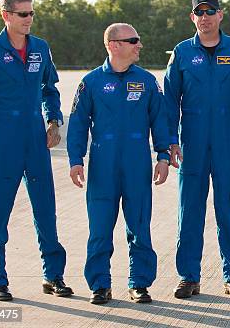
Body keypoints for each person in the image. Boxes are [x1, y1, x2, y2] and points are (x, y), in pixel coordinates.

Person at [0, 0, 73, 301]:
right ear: (6, 15)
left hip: (34, 137)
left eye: (32, 13)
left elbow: (50, 89)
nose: (29, 19)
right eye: (23, 14)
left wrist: (53, 122)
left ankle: (53, 275)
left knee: (45, 211)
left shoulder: (40, 48)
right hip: (2, 138)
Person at [164, 0, 230, 299]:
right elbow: (169, 101)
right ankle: (188, 276)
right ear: (193, 17)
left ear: (220, 15)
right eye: (199, 12)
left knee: (229, 208)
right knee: (189, 209)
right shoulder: (181, 52)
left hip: (228, 139)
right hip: (191, 140)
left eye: (210, 11)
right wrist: (170, 141)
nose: (205, 17)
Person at [67, 23, 170, 305]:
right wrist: (76, 160)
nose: (139, 45)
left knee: (139, 225)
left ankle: (139, 283)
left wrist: (163, 155)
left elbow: (159, 120)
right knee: (100, 228)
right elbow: (77, 124)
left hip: (137, 160)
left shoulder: (148, 81)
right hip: (103, 162)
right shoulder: (91, 82)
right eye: (133, 40)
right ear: (114, 45)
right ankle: (100, 284)